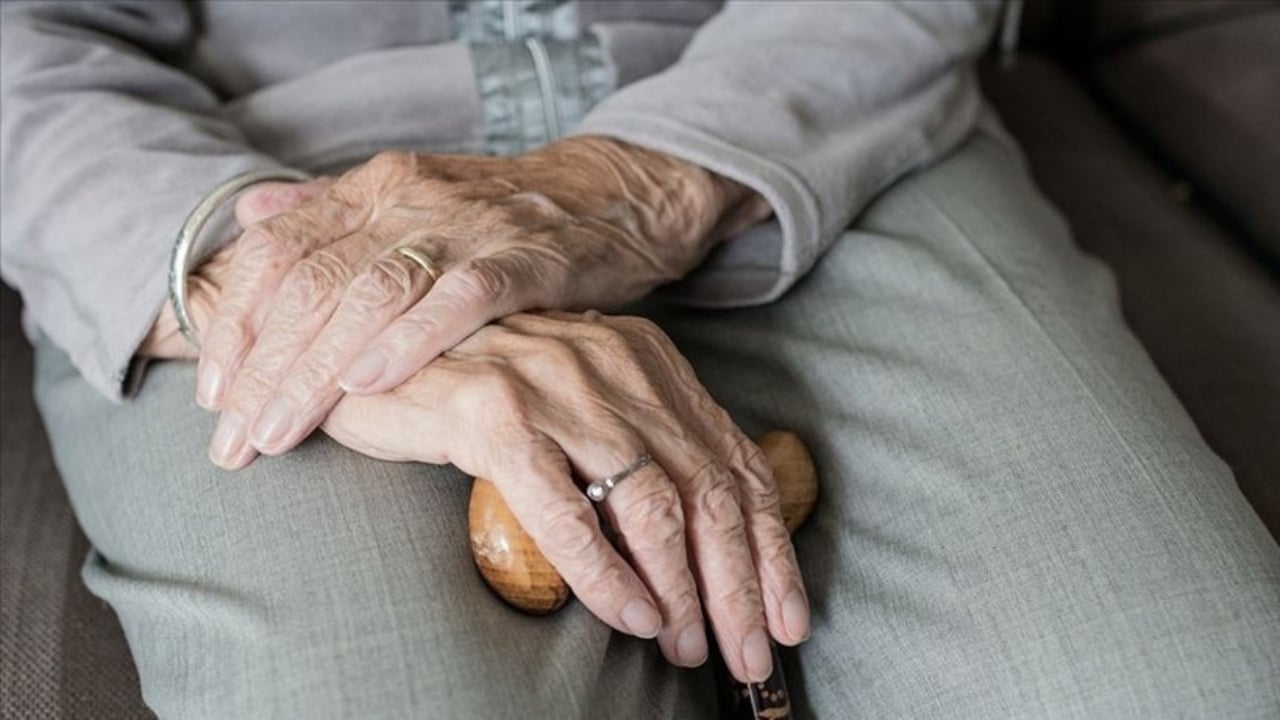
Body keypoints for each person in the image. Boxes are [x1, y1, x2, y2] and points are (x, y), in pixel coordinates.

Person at [2, 1, 1277, 718]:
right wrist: (287, 290)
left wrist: (631, 183)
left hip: (814, 123)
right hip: (258, 191)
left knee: (1181, 685)